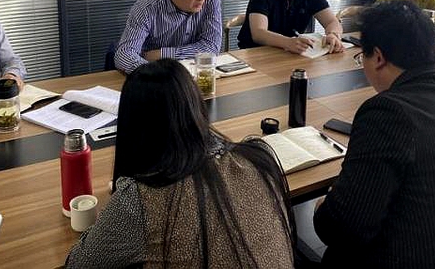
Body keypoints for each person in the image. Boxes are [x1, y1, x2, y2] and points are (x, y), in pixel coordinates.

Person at [313, 1, 435, 268]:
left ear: (378, 57)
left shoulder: (389, 112)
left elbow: (342, 229)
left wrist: (324, 207)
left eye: (362, 57)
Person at [65, 59, 295, 268]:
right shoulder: (260, 157)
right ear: (196, 107)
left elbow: (78, 263)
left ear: (133, 129)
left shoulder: (140, 199)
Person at [114, 0, 222, 74]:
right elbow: (124, 54)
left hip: (192, 72)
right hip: (154, 74)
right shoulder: (147, 7)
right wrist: (158, 76)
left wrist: (162, 54)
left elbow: (211, 48)